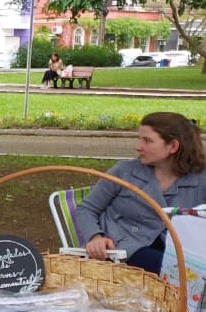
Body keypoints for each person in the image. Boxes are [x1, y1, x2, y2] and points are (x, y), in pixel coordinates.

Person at [75, 112, 206, 274]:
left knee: (189, 270)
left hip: (176, 251)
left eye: (147, 141)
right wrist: (96, 238)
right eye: (139, 139)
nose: (138, 147)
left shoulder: (200, 179)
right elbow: (86, 209)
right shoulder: (124, 172)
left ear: (173, 146)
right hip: (123, 250)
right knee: (181, 272)